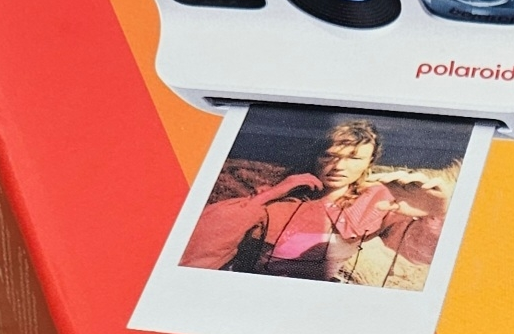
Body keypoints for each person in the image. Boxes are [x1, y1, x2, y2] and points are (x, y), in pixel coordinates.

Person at [180, 119, 456, 286]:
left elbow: (423, 254)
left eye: (353, 158)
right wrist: (268, 197)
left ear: (369, 163)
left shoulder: (377, 201)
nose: (339, 166)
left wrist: (436, 215)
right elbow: (200, 249)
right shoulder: (278, 192)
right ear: (315, 157)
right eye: (329, 155)